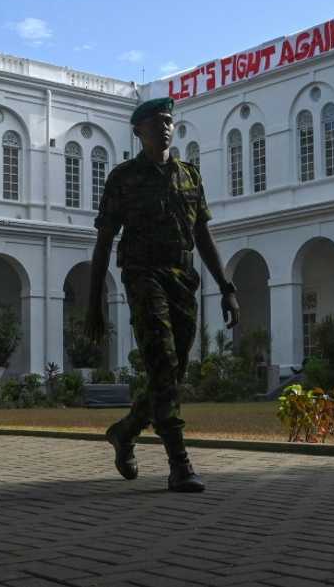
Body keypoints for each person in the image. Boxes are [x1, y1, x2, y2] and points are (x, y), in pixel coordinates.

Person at [85, 95, 239, 493]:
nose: (165, 127)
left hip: (182, 279)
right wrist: (94, 303)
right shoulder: (122, 178)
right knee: (164, 361)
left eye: (169, 120)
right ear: (139, 131)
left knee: (169, 374)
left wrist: (226, 287)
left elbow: (203, 235)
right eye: (155, 122)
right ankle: (179, 463)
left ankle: (126, 430)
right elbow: (103, 241)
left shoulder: (190, 176)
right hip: (142, 275)